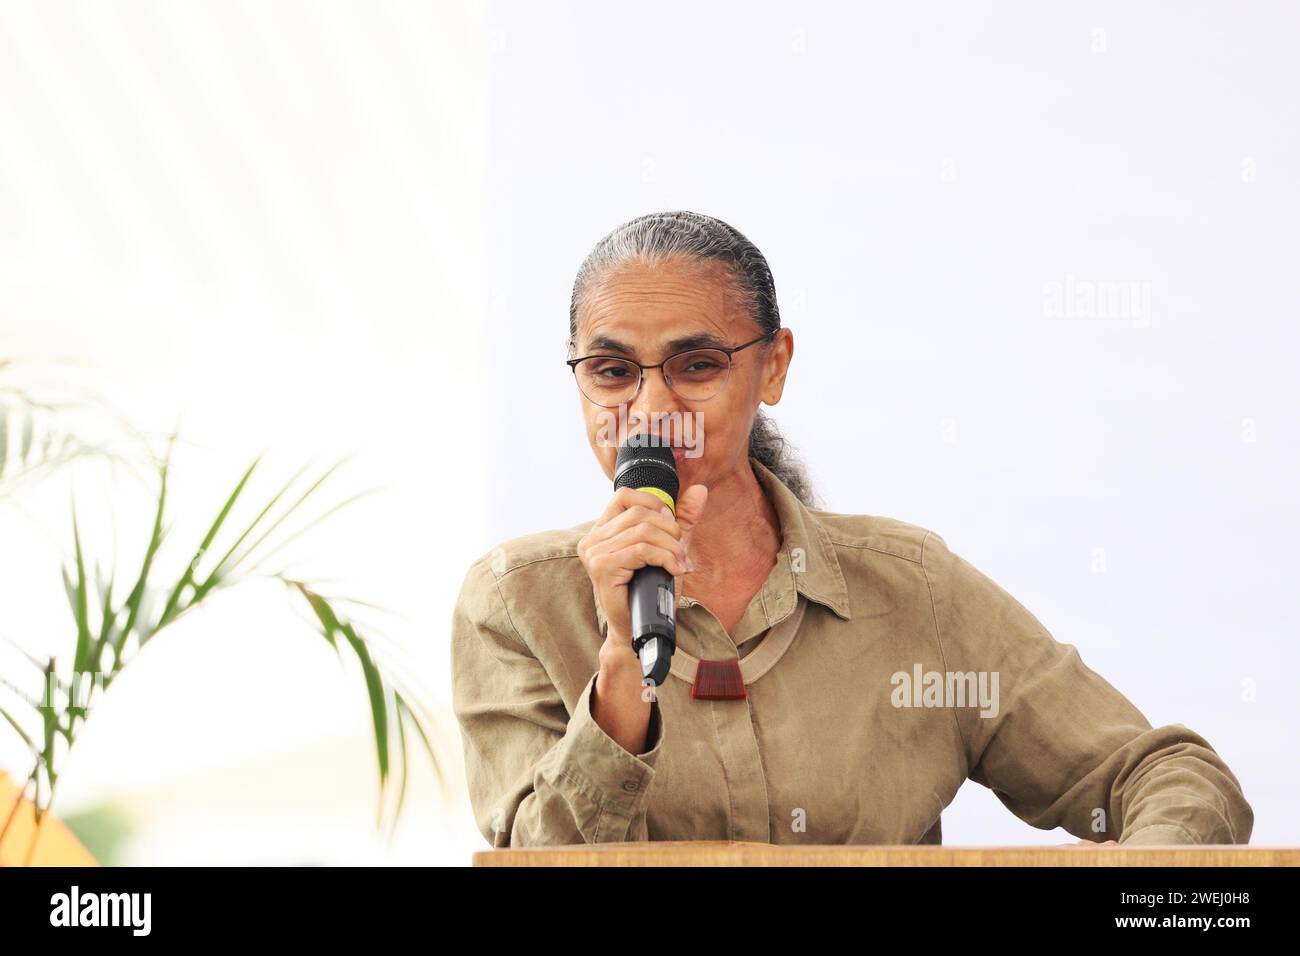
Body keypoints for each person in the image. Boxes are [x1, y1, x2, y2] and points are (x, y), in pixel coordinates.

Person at [450, 210, 1253, 848]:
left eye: (697, 366)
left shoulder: (914, 592)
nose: (652, 413)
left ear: (773, 366)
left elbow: (1169, 775)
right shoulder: (515, 605)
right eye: (613, 370)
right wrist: (622, 668)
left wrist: (1144, 889)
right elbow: (531, 857)